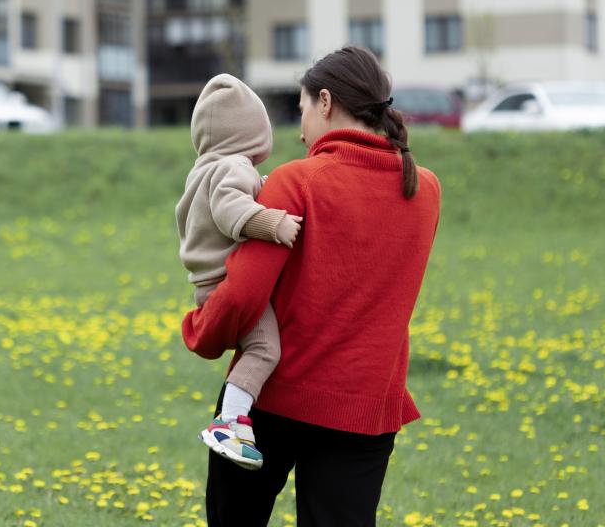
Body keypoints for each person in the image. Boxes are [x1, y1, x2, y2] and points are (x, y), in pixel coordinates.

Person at [182, 46, 442, 527]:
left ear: (325, 102)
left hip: (274, 399)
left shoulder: (296, 180)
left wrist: (201, 330)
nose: (301, 132)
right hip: (367, 407)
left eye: (301, 110)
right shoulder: (424, 189)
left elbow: (242, 294)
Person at [175, 74, 304, 470]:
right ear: (251, 133)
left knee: (257, 347)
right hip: (226, 283)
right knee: (265, 349)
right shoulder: (233, 166)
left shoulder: (206, 168)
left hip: (207, 283)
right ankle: (229, 423)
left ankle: (234, 421)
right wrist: (272, 223)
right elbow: (230, 208)